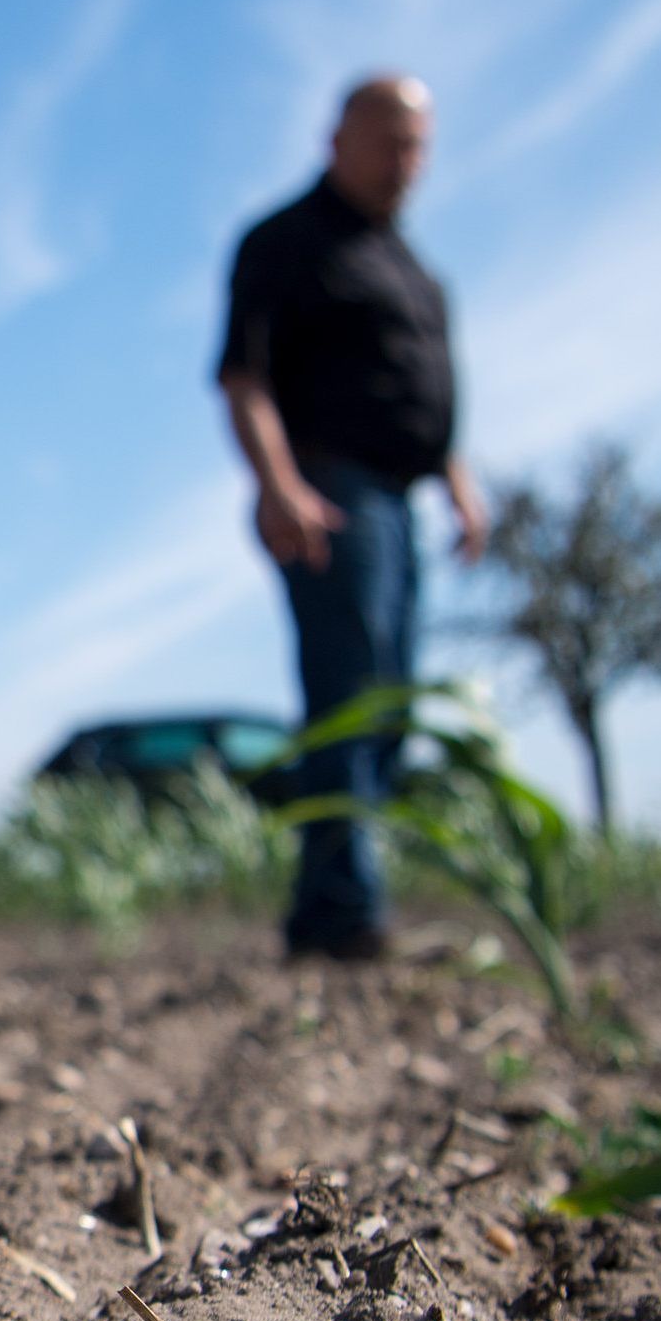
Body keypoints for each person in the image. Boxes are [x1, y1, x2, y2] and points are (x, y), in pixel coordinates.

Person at [217, 73, 486, 961]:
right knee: (349, 694)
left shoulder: (409, 267)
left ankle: (324, 911)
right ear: (338, 139)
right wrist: (277, 483)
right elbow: (244, 376)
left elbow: (413, 391)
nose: (405, 162)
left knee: (391, 708)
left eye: (418, 145)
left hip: (400, 498)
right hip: (330, 492)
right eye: (390, 141)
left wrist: (453, 474)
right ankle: (347, 915)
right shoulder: (287, 243)